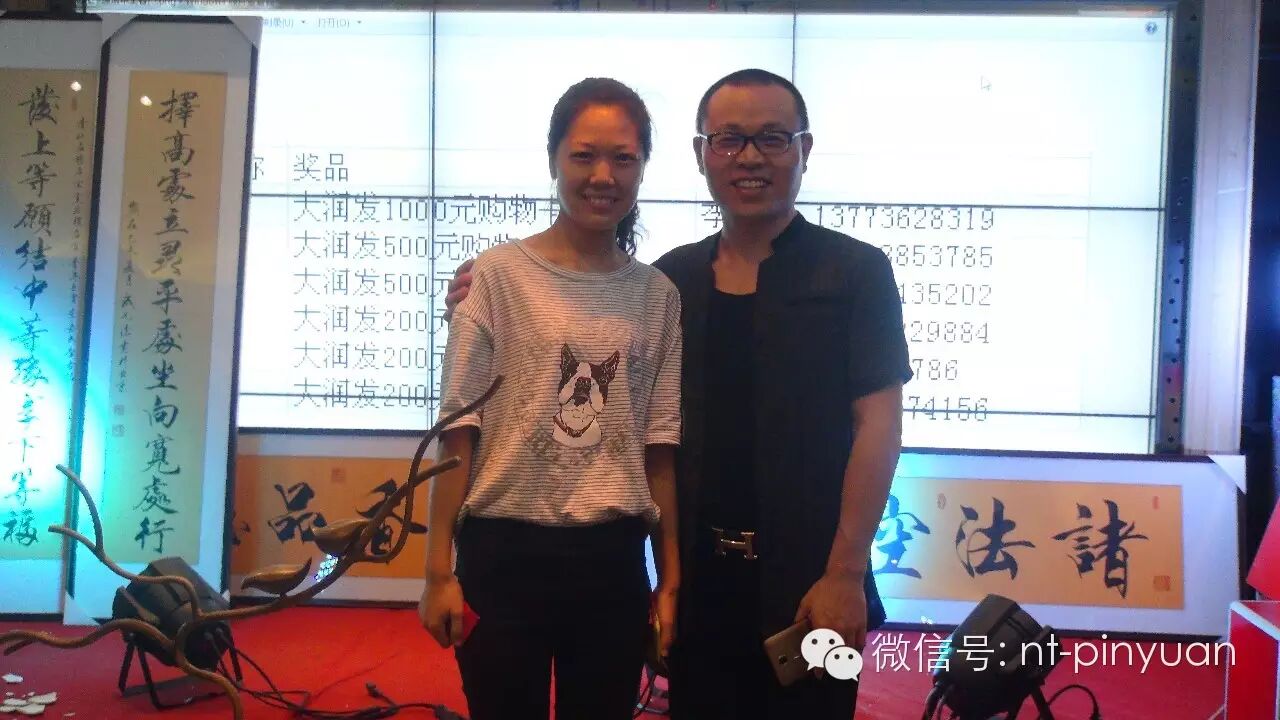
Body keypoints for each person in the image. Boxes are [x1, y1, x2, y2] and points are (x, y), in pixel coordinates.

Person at [444, 68, 910, 720]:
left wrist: (846, 573)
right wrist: (478, 303)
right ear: (701, 154)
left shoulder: (857, 272)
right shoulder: (672, 282)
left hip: (815, 583)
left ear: (804, 148)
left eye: (773, 138)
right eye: (729, 139)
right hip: (699, 587)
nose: (750, 157)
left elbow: (879, 429)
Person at [419, 77, 682, 720]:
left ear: (643, 167)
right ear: (553, 160)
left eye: (623, 158)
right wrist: (436, 573)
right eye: (584, 155)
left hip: (612, 561)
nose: (603, 176)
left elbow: (660, 449)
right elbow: (459, 431)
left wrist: (670, 581)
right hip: (501, 557)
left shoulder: (658, 297)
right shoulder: (495, 278)